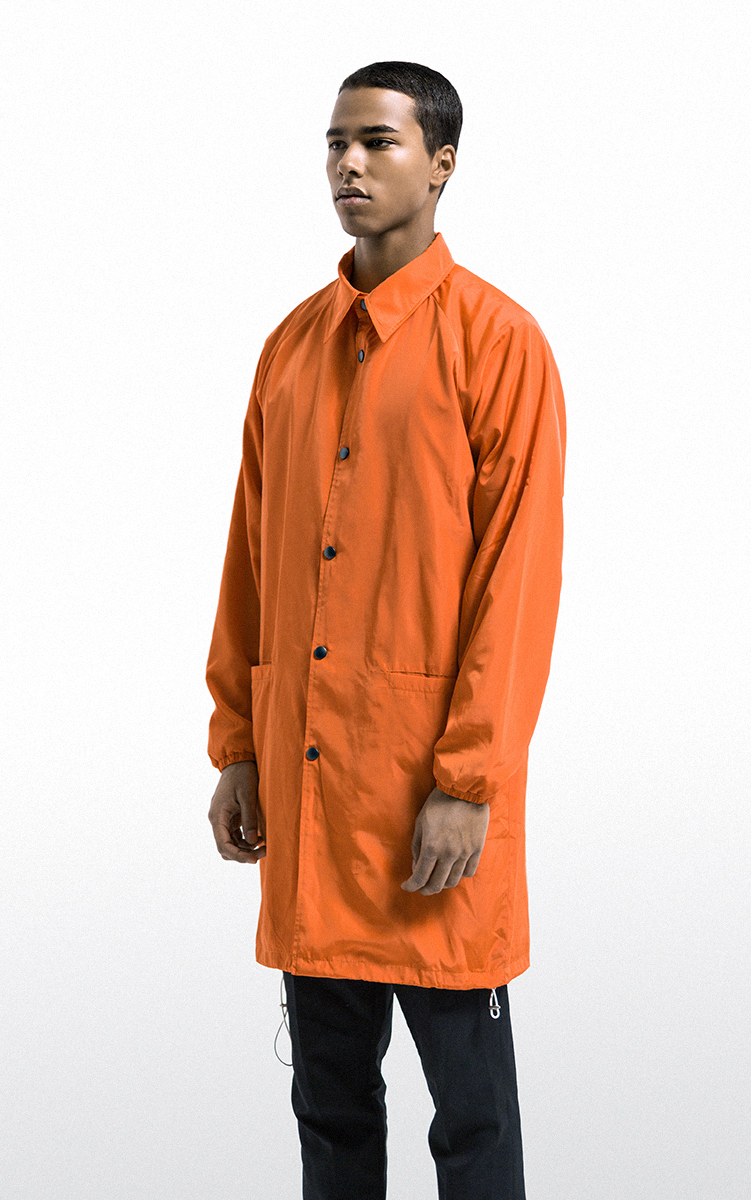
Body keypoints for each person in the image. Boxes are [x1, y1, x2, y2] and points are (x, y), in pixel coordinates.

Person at [203, 60, 567, 1199]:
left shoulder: (497, 343)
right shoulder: (290, 348)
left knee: (472, 1118)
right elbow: (250, 558)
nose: (348, 166)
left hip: (426, 804)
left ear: (442, 164)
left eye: (378, 142)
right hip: (310, 794)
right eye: (335, 144)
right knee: (329, 1109)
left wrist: (468, 780)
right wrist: (237, 746)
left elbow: (517, 584)